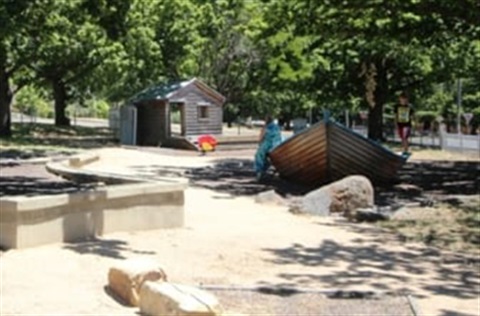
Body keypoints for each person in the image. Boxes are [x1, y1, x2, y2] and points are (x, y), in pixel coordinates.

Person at [254, 115, 282, 181]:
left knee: (259, 155)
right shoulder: (277, 127)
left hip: (268, 145)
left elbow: (261, 138)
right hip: (277, 145)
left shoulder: (266, 128)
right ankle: (275, 169)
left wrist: (260, 143)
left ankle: (260, 171)